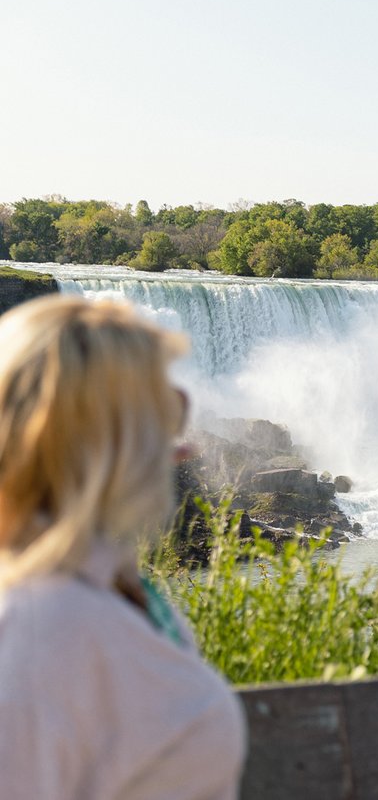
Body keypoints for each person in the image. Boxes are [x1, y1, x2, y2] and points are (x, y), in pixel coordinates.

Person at [0, 296, 246, 799]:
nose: (183, 441)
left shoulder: (112, 591)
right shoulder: (43, 630)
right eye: (165, 410)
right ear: (116, 445)